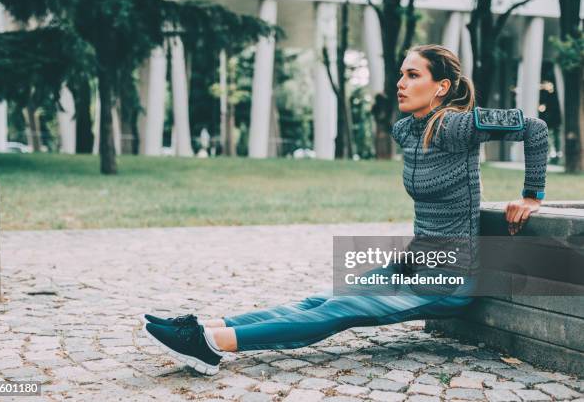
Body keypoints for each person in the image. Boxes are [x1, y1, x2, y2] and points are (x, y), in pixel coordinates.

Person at [143, 44, 549, 376]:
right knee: (323, 298)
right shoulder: (407, 129)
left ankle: (212, 347)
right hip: (417, 259)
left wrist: (531, 195)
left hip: (449, 278)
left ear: (441, 86)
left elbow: (535, 128)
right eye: (401, 74)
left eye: (413, 75)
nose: (400, 84)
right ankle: (207, 327)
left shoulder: (459, 126)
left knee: (342, 309)